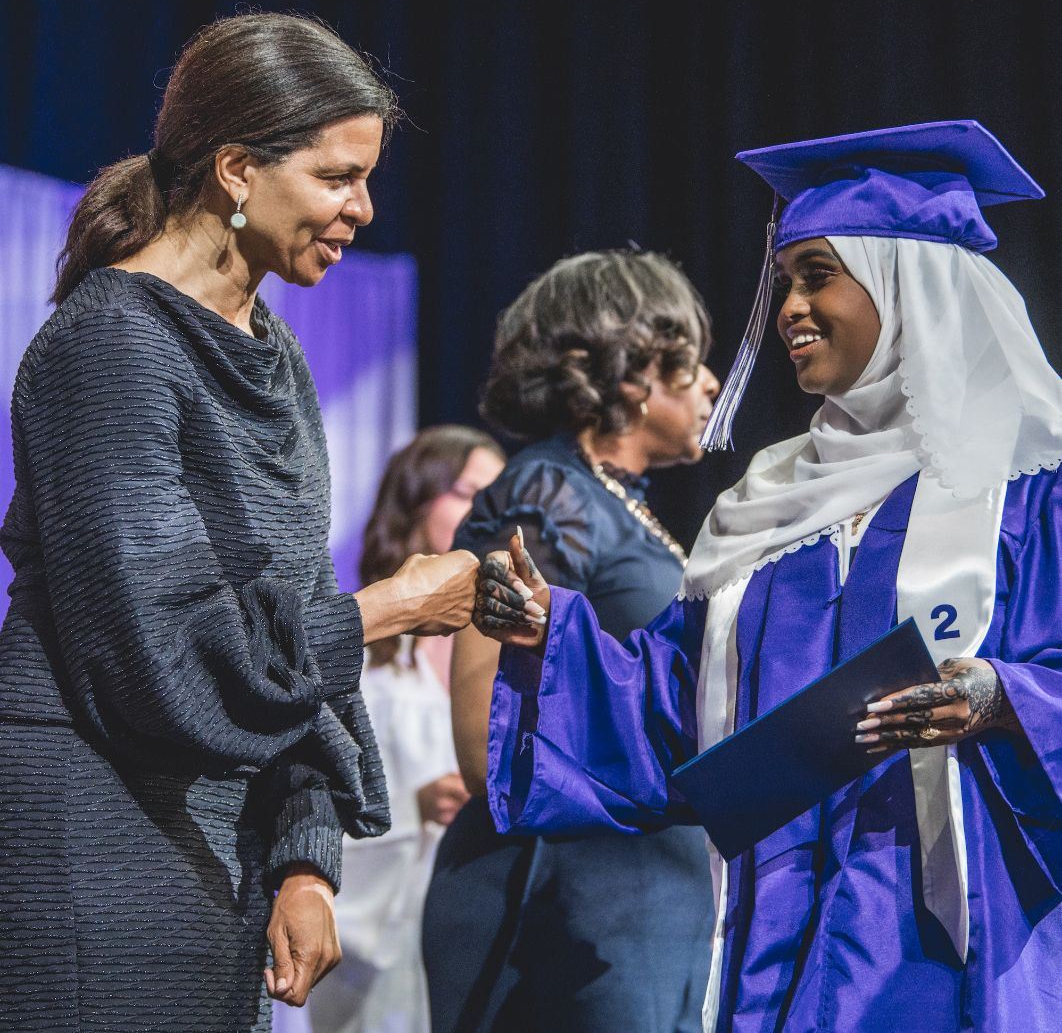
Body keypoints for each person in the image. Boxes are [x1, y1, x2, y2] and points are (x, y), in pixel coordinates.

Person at [475, 121, 1062, 1032]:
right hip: (771, 944)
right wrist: (552, 633)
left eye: (818, 274)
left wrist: (1005, 701)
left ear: (914, 289)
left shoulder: (1034, 492)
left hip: (960, 951)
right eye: (784, 278)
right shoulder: (770, 503)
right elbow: (682, 709)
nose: (788, 306)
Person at [0, 13, 496, 1033]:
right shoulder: (108, 346)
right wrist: (390, 609)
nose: (362, 207)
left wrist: (306, 859)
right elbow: (162, 657)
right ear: (235, 168)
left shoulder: (277, 354)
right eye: (336, 176)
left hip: (220, 842)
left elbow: (288, 618)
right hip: (97, 830)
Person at [423, 250, 721, 1032]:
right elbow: (485, 743)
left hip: (644, 887)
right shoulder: (545, 490)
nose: (713, 384)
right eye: (690, 363)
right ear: (628, 373)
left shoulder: (628, 509)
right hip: (566, 894)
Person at [308, 425, 505, 1033]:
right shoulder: (360, 660)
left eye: (497, 496)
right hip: (388, 938)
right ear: (418, 501)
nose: (486, 512)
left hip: (486, 915)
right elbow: (309, 805)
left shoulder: (512, 653)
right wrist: (414, 806)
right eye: (469, 491)